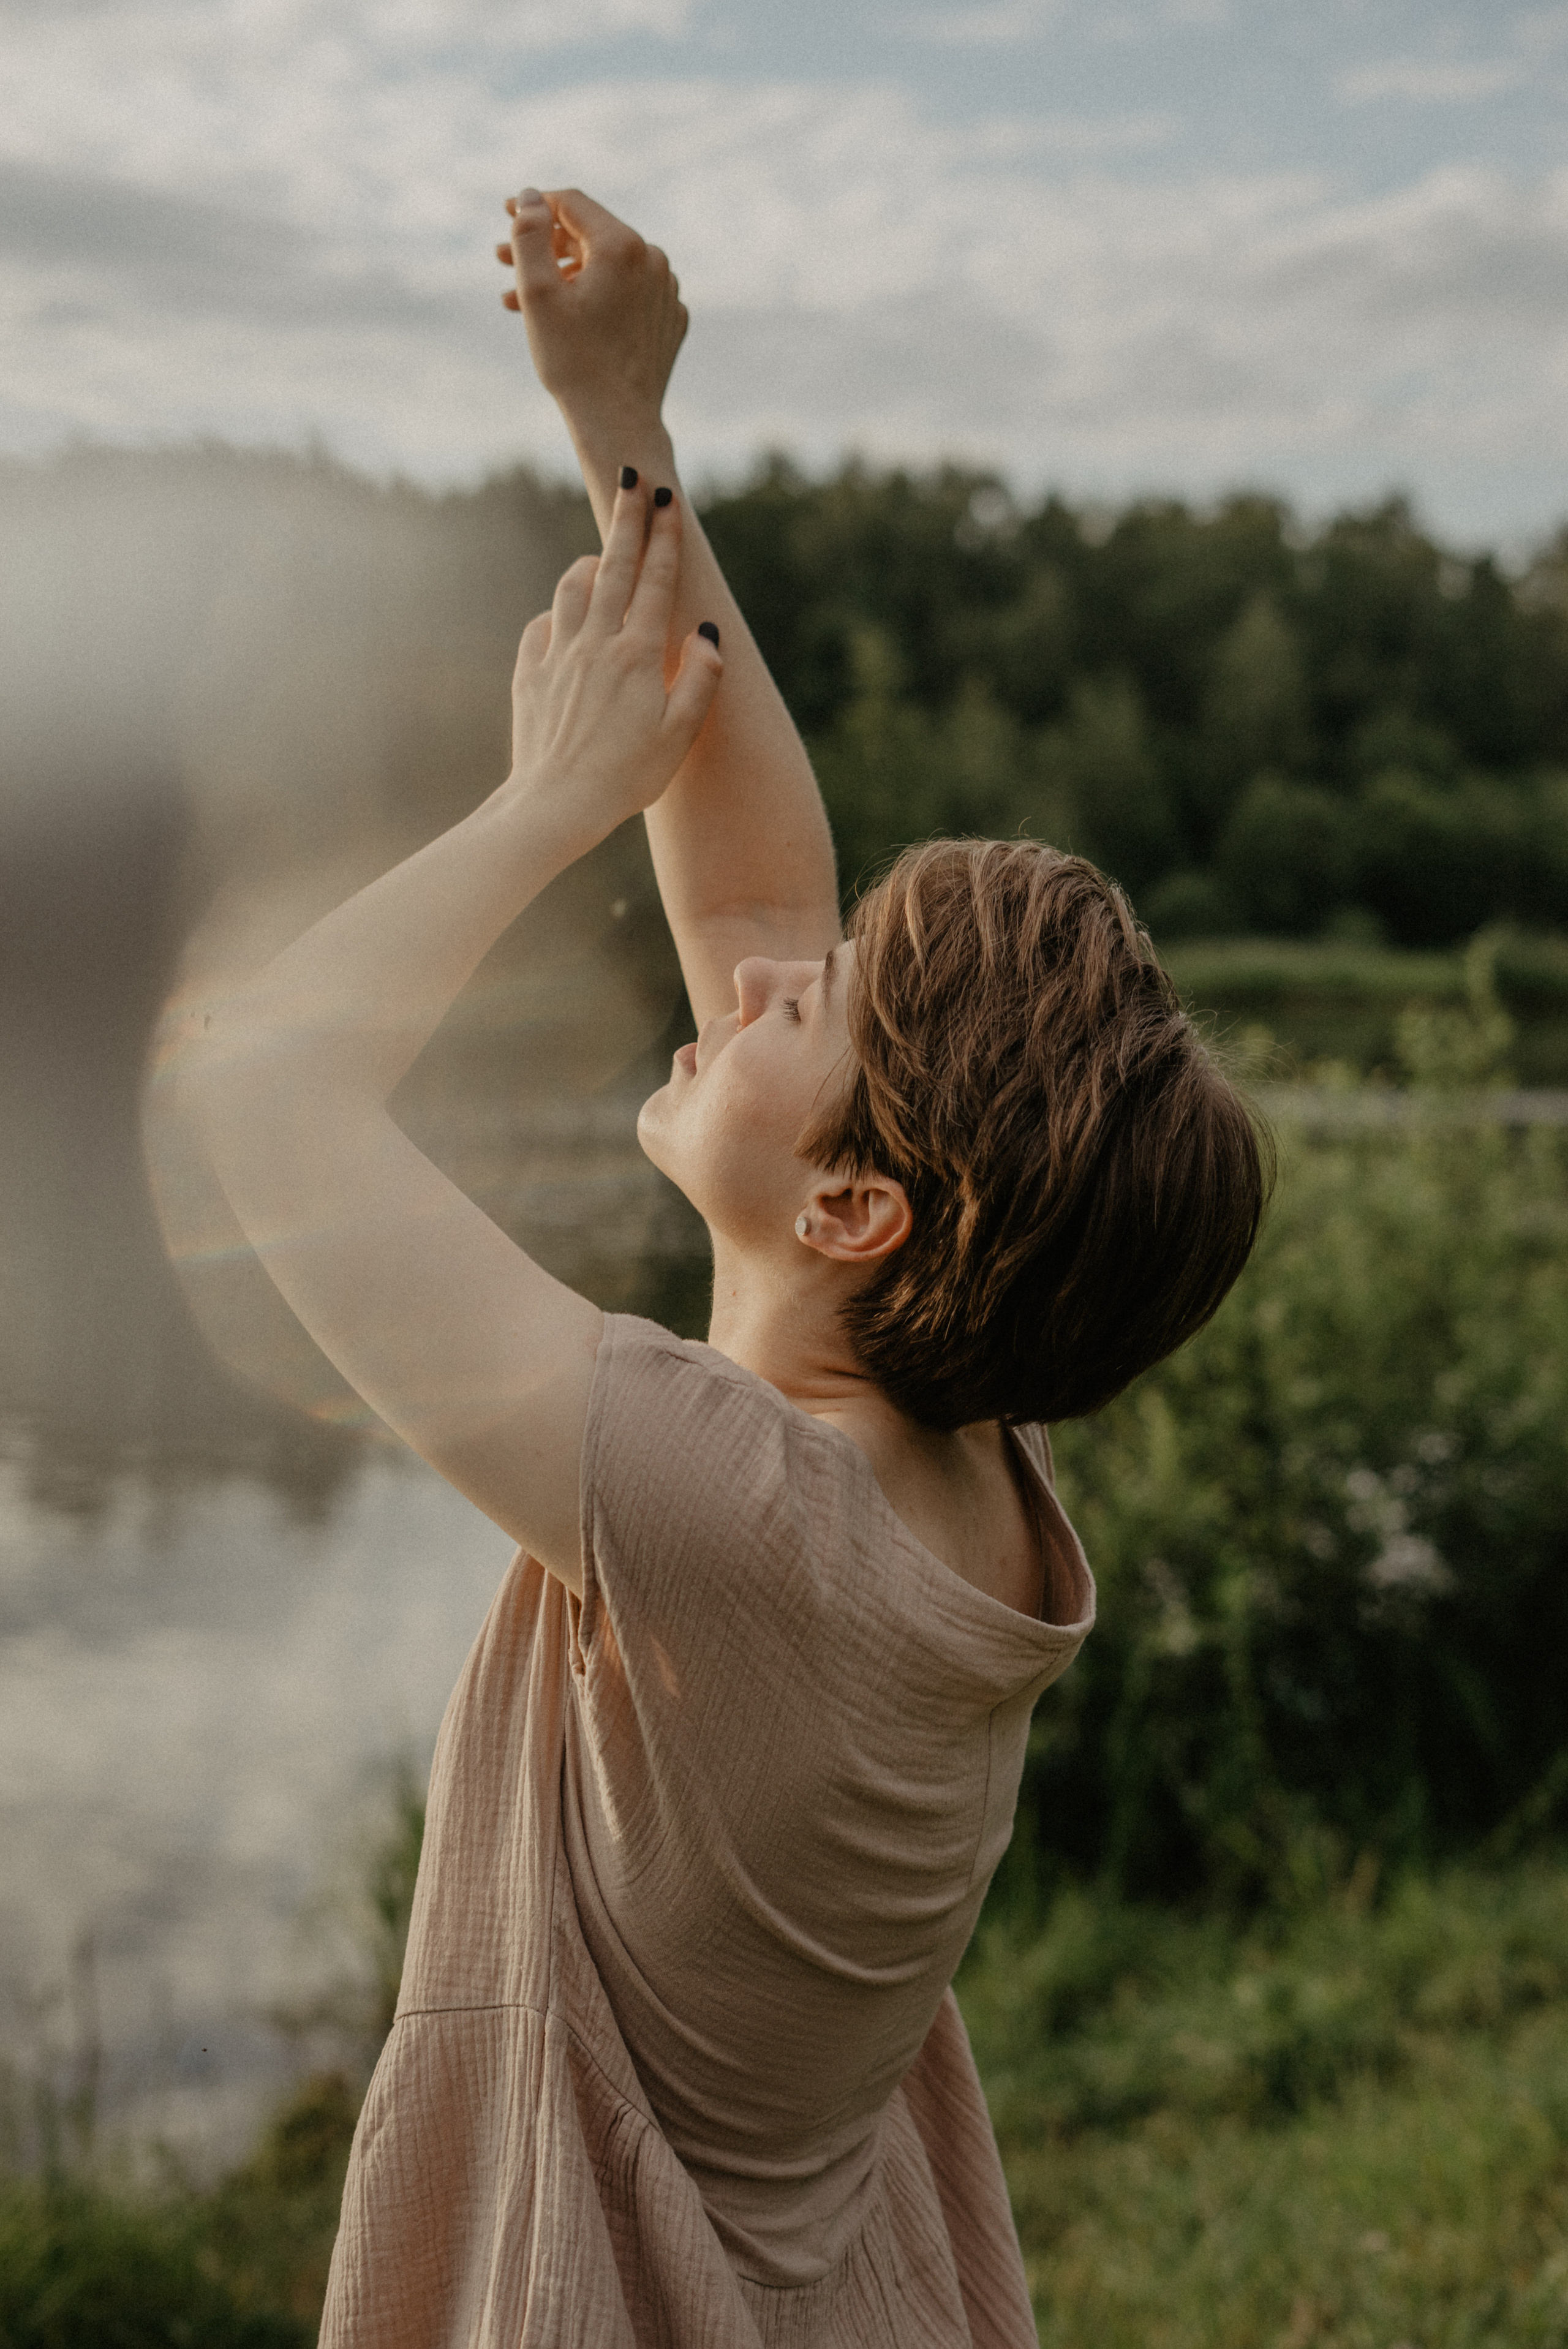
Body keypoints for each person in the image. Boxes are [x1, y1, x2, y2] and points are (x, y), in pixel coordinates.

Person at [178, 188, 1270, 2348]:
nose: (771, 979)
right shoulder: (969, 1451)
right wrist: (622, 421)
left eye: (825, 1005)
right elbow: (761, 876)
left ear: (861, 1210)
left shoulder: (725, 1505)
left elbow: (255, 1097)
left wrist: (550, 800)